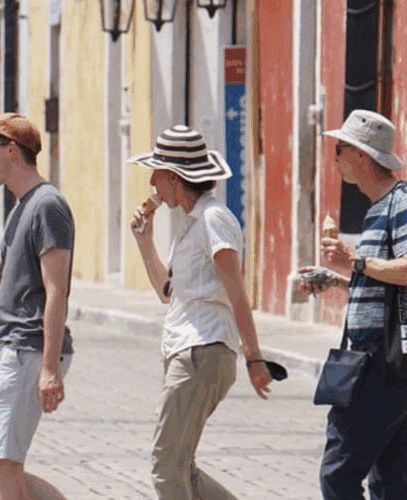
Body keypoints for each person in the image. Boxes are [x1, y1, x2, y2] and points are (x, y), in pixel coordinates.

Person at [129, 125, 273, 500]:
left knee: (165, 464)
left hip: (202, 351)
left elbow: (237, 291)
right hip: (187, 350)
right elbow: (169, 293)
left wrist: (255, 358)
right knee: (180, 464)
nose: (151, 184)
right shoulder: (191, 223)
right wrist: (144, 243)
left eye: (156, 174)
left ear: (174, 178)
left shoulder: (213, 219)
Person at [298, 109, 407, 500]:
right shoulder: (378, 209)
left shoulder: (403, 203)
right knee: (391, 479)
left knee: (338, 474)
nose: (335, 158)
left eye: (339, 149)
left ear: (359, 155)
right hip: (386, 356)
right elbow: (385, 282)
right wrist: (339, 280)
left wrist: (354, 261)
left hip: (385, 359)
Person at [0, 112, 75, 500]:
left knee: (6, 465)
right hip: (11, 347)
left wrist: (49, 369)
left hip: (29, 349)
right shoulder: (20, 209)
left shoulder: (48, 206)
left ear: (11, 150)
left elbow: (57, 290)